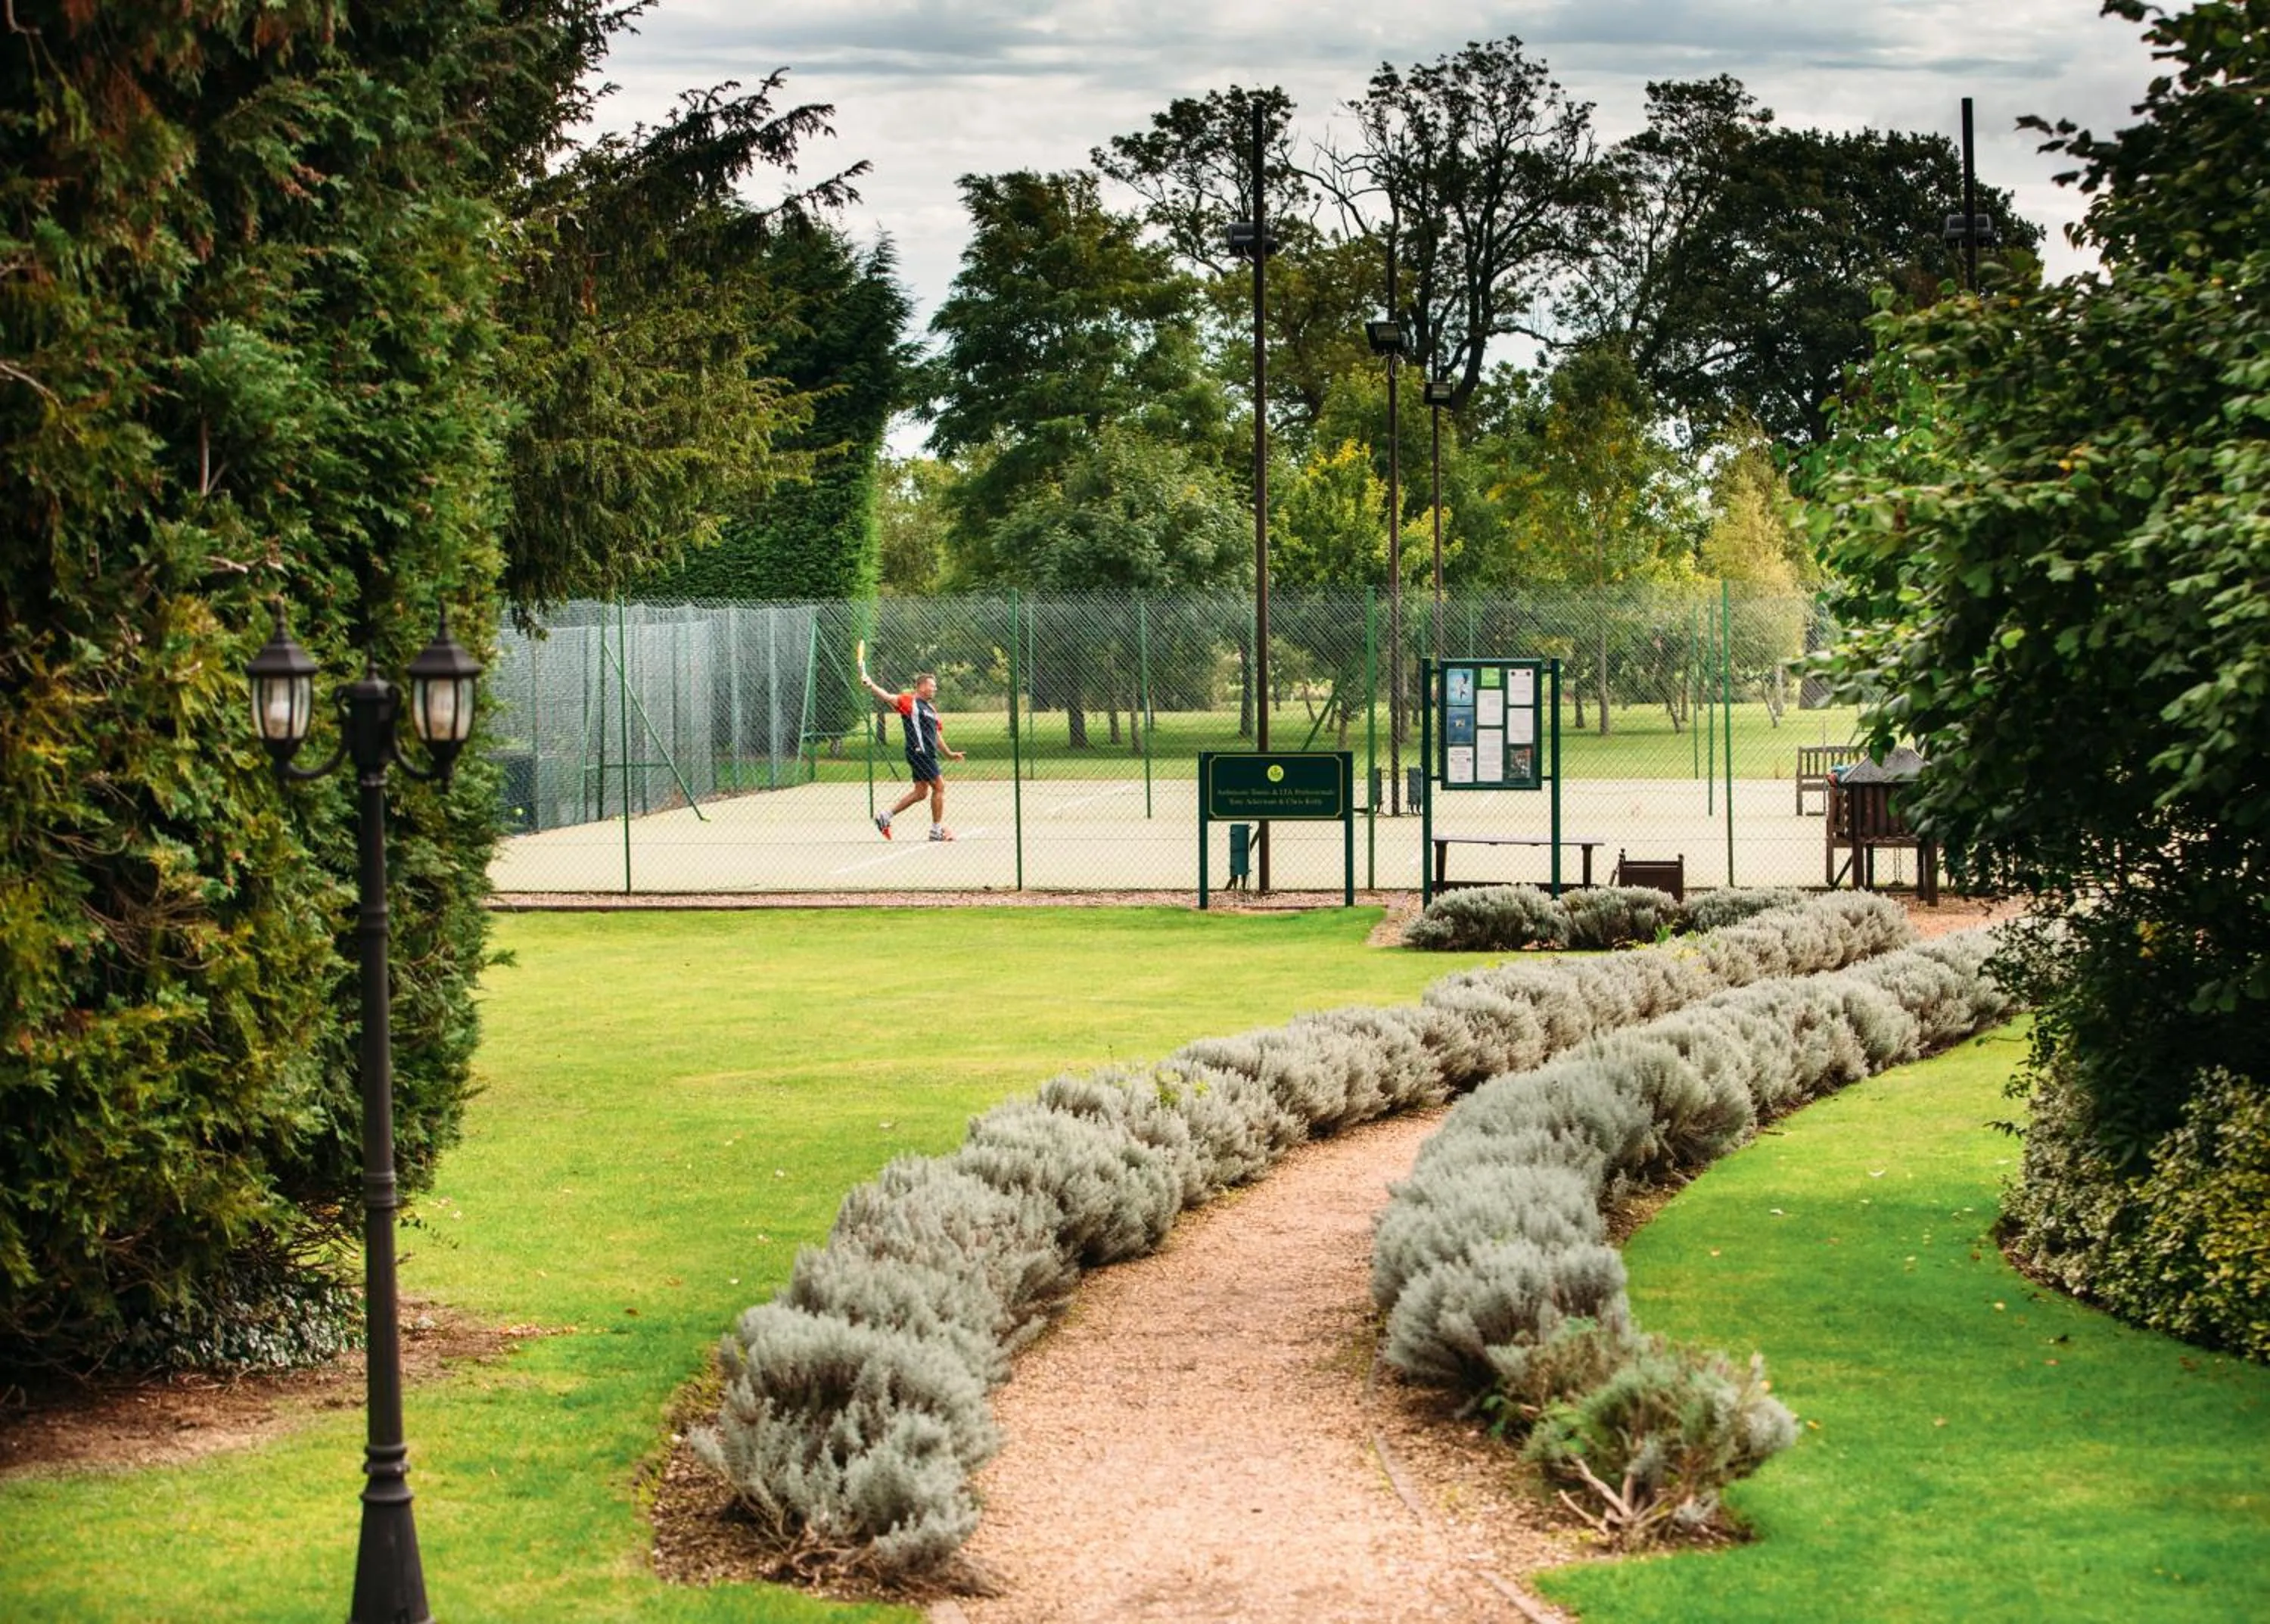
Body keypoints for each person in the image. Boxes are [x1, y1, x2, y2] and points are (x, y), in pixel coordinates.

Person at [859, 667, 964, 841]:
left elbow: (936, 735)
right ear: (921, 686)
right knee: (939, 786)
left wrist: (949, 754)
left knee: (921, 792)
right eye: (932, 686)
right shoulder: (910, 702)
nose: (935, 689)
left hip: (927, 754)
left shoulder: (931, 709)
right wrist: (871, 685)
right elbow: (887, 696)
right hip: (919, 752)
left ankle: (885, 816)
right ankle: (936, 831)